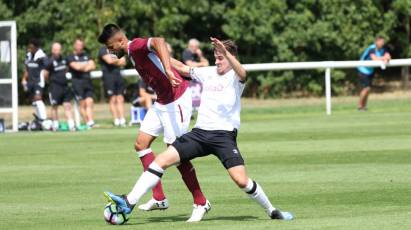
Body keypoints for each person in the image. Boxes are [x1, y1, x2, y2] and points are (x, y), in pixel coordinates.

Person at [104, 38, 294, 222]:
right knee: (160, 161)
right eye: (215, 57)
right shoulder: (208, 72)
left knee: (241, 181)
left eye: (221, 57)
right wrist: (157, 57)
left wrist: (226, 52)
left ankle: (272, 210)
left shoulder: (236, 77)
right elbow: (182, 67)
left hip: (223, 137)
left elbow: (243, 72)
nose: (216, 61)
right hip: (199, 134)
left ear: (231, 57)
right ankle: (129, 202)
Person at [98, 24, 210, 222]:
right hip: (162, 102)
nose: (110, 51)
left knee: (176, 154)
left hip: (177, 100)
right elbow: (162, 55)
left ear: (120, 41)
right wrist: (176, 67)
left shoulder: (135, 46)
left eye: (110, 46)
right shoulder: (132, 53)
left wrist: (168, 69)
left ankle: (201, 202)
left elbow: (159, 41)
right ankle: (159, 198)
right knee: (141, 144)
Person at [43, 42, 75, 131]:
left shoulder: (64, 60)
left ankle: (71, 125)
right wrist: (50, 81)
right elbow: (45, 74)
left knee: (67, 105)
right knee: (54, 106)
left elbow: (66, 69)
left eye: (59, 49)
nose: (57, 51)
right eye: (55, 49)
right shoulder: (49, 61)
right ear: (52, 50)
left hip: (64, 86)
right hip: (54, 87)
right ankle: (55, 125)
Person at [66, 39, 96, 127]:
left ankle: (91, 121)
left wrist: (82, 67)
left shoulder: (87, 55)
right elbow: (76, 67)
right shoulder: (70, 56)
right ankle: (87, 122)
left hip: (88, 82)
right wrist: (86, 66)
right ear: (74, 46)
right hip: (77, 83)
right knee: (82, 103)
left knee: (89, 102)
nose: (79, 47)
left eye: (81, 45)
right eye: (78, 45)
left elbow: (93, 65)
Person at [357, 35, 391, 111]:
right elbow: (374, 59)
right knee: (366, 88)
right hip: (362, 69)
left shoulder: (383, 49)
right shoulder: (372, 48)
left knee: (368, 89)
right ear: (376, 42)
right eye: (381, 42)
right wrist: (383, 58)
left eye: (383, 42)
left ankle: (364, 106)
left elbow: (388, 56)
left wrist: (386, 58)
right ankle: (360, 106)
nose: (382, 43)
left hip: (370, 71)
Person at [98, 46, 127, 127]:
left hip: (118, 75)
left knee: (120, 98)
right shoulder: (103, 49)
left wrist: (115, 60)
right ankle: (116, 120)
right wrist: (118, 60)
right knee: (112, 98)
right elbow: (109, 61)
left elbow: (124, 61)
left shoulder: (114, 49)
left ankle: (122, 120)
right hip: (108, 76)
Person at [21, 38, 48, 121]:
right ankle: (40, 118)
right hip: (30, 81)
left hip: (38, 81)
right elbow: (27, 68)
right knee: (34, 101)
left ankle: (44, 119)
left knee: (38, 98)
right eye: (29, 47)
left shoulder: (42, 56)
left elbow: (46, 69)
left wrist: (46, 78)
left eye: (31, 47)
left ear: (36, 47)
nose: (30, 49)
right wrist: (24, 79)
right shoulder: (28, 55)